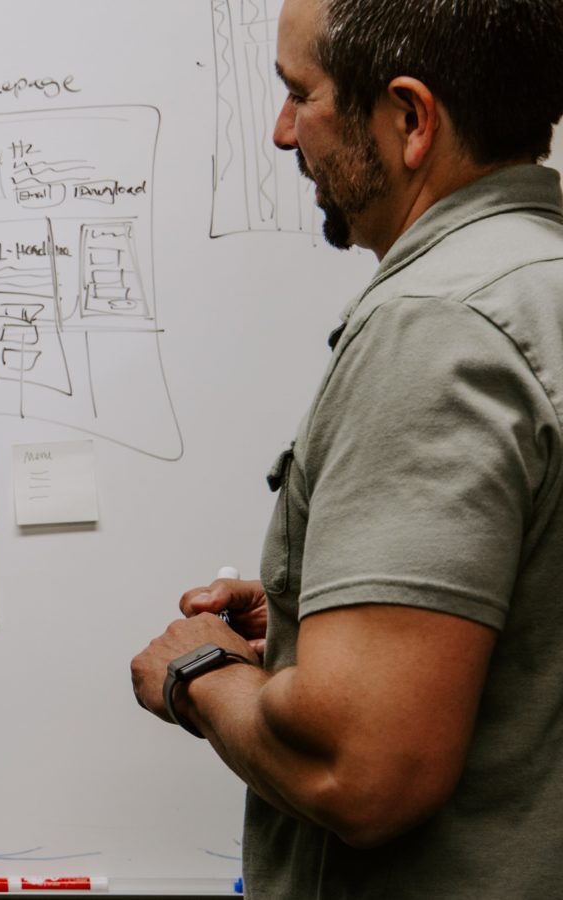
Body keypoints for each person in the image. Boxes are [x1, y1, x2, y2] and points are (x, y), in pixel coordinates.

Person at [130, 0, 563, 896]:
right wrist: (308, 618)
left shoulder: (439, 327)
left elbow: (363, 773)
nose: (284, 133)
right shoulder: (539, 283)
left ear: (409, 119)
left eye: (302, 94)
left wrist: (197, 672)